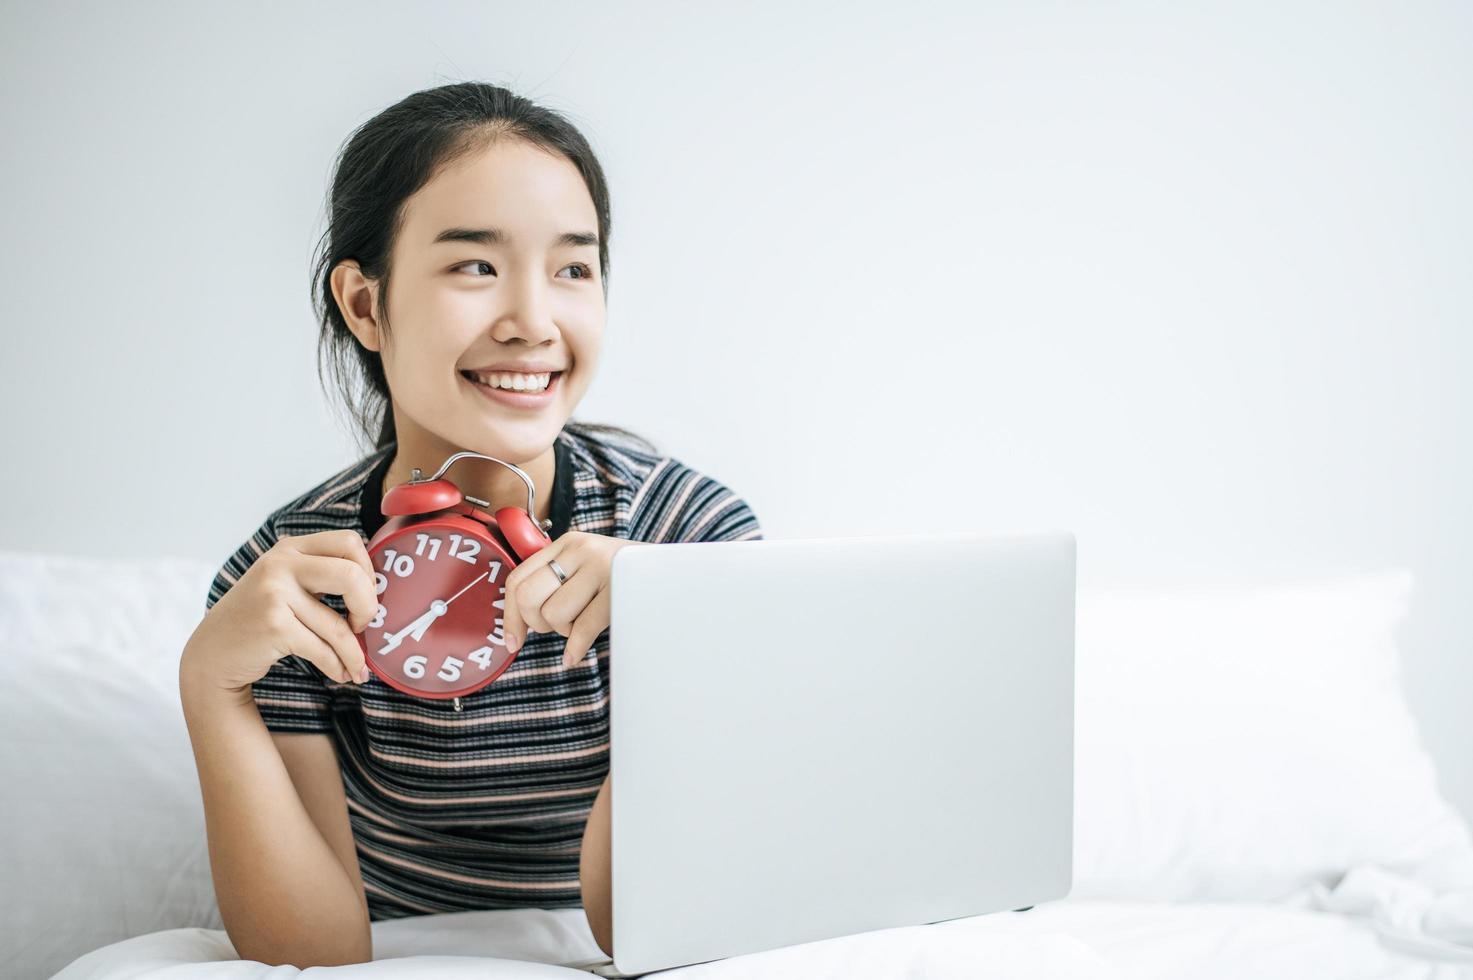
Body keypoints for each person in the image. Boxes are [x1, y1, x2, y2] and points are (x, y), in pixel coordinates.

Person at [178, 80, 763, 970]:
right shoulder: (294, 579)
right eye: (475, 265)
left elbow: (646, 927)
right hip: (408, 941)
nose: (533, 322)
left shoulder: (689, 533)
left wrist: (673, 634)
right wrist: (210, 687)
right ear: (365, 306)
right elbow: (315, 954)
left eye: (573, 267)